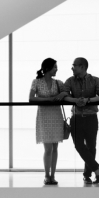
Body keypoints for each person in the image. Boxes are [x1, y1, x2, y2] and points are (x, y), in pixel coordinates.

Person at [63, 58, 99, 185]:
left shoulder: (95, 80)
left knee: (91, 147)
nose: (72, 68)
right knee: (78, 146)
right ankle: (98, 170)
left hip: (91, 118)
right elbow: (65, 96)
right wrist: (76, 101)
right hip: (76, 118)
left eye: (74, 66)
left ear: (82, 67)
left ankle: (87, 175)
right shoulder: (70, 81)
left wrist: (88, 100)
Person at [29, 58, 68, 186]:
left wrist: (61, 95)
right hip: (44, 116)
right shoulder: (37, 82)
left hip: (56, 115)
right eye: (54, 67)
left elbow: (66, 92)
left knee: (55, 147)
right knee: (48, 148)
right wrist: (51, 99)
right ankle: (46, 176)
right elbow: (31, 98)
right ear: (47, 68)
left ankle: (53, 176)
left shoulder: (58, 83)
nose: (57, 69)